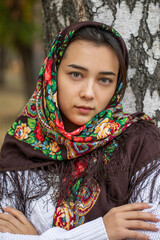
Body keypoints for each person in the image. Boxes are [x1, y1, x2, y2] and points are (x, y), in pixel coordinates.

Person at [0, 21, 160, 240]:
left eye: (104, 80)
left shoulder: (140, 143)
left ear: (117, 85)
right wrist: (102, 231)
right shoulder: (22, 142)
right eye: (76, 74)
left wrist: (35, 237)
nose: (88, 92)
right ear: (53, 73)